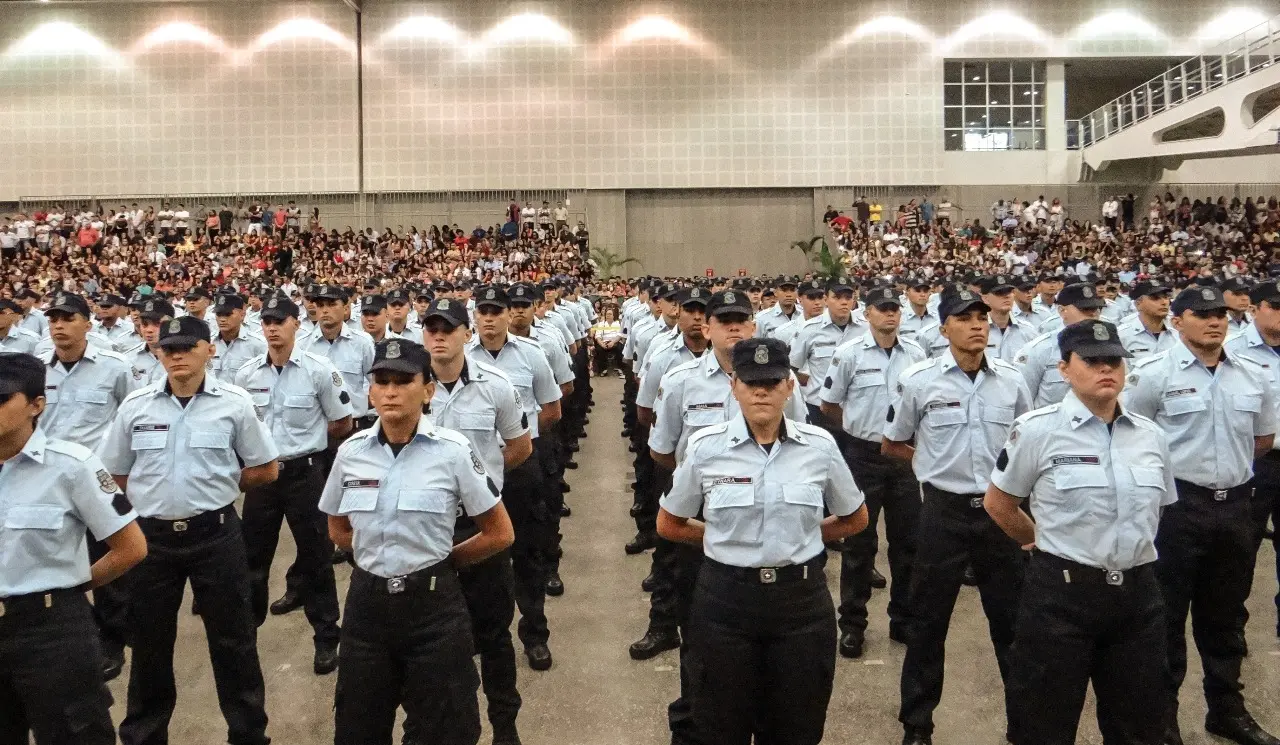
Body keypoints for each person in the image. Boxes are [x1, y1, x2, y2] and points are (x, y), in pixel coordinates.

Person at [658, 337, 869, 745]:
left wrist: (801, 537)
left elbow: (855, 517)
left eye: (772, 382)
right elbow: (670, 522)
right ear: (734, 386)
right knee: (720, 727)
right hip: (725, 605)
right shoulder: (706, 448)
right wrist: (722, 538)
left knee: (797, 728)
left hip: (800, 607)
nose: (761, 392)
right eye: (751, 382)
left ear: (789, 386)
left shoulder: (819, 447)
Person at [986, 320, 1175, 745]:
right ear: (1064, 369)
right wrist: (1040, 541)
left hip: (1137, 599)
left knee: (1140, 725)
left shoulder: (1151, 436)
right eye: (1092, 361)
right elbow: (1000, 503)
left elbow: (1158, 510)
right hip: (1062, 597)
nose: (1106, 368)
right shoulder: (1037, 430)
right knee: (1044, 724)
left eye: (1114, 361)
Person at [320, 339, 515, 745]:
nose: (390, 392)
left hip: (433, 610)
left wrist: (443, 561)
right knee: (358, 727)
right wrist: (377, 554)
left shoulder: (453, 451)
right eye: (382, 382)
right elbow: (338, 528)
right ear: (370, 392)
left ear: (427, 390)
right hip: (367, 610)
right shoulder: (351, 452)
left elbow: (499, 532)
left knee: (445, 729)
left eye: (403, 381)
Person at [99, 315, 280, 745]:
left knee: (234, 642)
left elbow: (265, 468)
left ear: (209, 350)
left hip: (215, 535)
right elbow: (114, 473)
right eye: (169, 349)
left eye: (187, 347)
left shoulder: (234, 404)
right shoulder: (136, 406)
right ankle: (145, 734)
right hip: (153, 541)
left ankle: (248, 733)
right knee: (149, 644)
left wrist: (219, 486)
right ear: (159, 354)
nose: (177, 356)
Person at [641, 289, 807, 745]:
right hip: (703, 522)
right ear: (707, 327)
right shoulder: (681, 380)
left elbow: (800, 441)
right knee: (698, 632)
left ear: (754, 326)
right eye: (723, 320)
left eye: (742, 319)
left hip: (768, 518)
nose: (734, 327)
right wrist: (709, 488)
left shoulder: (783, 382)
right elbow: (661, 450)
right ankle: (692, 723)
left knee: (760, 638)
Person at [1123, 286, 1279, 745]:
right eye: (1202, 314)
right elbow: (1130, 438)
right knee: (1166, 616)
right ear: (1177, 322)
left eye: (1220, 315)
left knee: (1226, 615)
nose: (1215, 322)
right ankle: (1163, 721)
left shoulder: (1251, 375)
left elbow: (1261, 440)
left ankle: (1226, 710)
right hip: (1176, 507)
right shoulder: (1153, 374)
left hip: (1235, 506)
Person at [883, 287, 1032, 745]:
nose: (977, 326)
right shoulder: (919, 380)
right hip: (942, 512)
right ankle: (917, 724)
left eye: (981, 318)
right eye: (965, 318)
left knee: (1013, 624)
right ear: (944, 327)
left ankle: (1025, 723)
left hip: (999, 512)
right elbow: (893, 442)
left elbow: (1027, 443)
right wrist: (931, 464)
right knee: (927, 623)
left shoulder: (1012, 381)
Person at [0, 352, 148, 745]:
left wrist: (71, 586)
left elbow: (130, 547)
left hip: (50, 631)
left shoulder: (71, 466)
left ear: (36, 405)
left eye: (1, 399)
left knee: (74, 733)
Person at [421, 301, 533, 745]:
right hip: (429, 527)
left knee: (494, 633)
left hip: (481, 526)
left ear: (466, 334)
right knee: (436, 638)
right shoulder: (411, 387)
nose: (439, 336)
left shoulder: (496, 386)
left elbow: (519, 446)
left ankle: (505, 726)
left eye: (448, 328)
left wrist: (480, 484)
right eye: (431, 328)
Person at [233, 295, 351, 675]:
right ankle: (245, 638)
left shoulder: (319, 370)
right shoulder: (247, 375)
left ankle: (326, 637)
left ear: (296, 324)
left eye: (279, 321)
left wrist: (306, 448)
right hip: (263, 478)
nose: (272, 328)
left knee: (316, 558)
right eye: (266, 321)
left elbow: (341, 422)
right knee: (252, 560)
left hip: (304, 474)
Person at [820, 286, 928, 658]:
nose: (890, 314)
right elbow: (830, 405)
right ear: (867, 314)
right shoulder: (849, 353)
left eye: (894, 308)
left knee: (907, 543)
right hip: (862, 456)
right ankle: (852, 625)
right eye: (882, 308)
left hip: (903, 456)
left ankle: (903, 619)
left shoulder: (915, 353)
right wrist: (858, 431)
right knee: (859, 544)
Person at [36, 291, 136, 679]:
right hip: (49, 480)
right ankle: (84, 631)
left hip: (99, 479)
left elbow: (131, 417)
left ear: (87, 324)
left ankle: (112, 641)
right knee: (57, 559)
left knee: (108, 563)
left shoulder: (114, 366)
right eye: (53, 319)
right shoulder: (36, 370)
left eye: (68, 318)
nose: (59, 325)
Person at [465, 291, 563, 671]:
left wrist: (516, 447)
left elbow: (551, 409)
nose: (489, 319)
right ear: (475, 316)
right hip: (471, 476)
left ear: (509, 315)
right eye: (483, 311)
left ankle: (535, 634)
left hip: (520, 466)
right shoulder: (462, 359)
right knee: (478, 554)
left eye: (496, 311)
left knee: (527, 554)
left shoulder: (531, 354)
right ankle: (481, 632)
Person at [1226, 279, 1280, 637]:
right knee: (1241, 548)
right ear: (1254, 309)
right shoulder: (1232, 350)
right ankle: (1233, 627)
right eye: (1274, 306)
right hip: (1255, 459)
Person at [1013, 283, 1105, 407]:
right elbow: (1023, 402)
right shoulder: (1040, 349)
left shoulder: (1110, 346)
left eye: (1095, 308)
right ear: (1062, 311)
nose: (1092, 314)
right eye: (1084, 309)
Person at [211, 293, 266, 383]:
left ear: (242, 315)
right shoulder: (208, 342)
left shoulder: (258, 344)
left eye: (228, 314)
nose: (222, 319)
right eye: (219, 314)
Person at [1118, 280, 1179, 359]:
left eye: (1165, 297)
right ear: (1138, 304)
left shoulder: (1178, 332)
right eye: (1155, 298)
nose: (1164, 302)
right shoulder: (1122, 335)